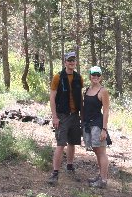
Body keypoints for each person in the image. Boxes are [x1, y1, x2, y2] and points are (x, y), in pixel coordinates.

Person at [47, 51, 83, 185]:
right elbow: (52, 97)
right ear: (65, 62)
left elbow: (80, 97)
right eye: (69, 60)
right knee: (61, 144)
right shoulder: (58, 77)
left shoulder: (79, 78)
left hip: (75, 115)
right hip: (62, 115)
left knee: (73, 142)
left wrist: (82, 116)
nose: (71, 63)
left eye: (73, 60)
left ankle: (70, 166)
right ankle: (55, 172)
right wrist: (54, 117)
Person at [82, 66, 110, 188]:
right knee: (96, 150)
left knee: (101, 152)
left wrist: (104, 129)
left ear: (101, 77)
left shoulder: (103, 91)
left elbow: (106, 110)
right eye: (93, 75)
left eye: (98, 75)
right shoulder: (87, 90)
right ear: (90, 76)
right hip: (88, 124)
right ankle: (100, 175)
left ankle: (103, 180)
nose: (96, 77)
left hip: (98, 125)